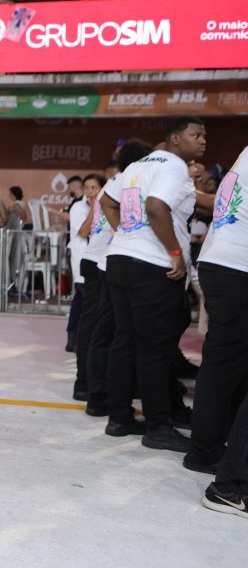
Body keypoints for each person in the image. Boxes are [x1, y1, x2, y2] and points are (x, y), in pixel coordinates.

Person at [100, 117, 207, 452]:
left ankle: (119, 418)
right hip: (153, 269)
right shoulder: (174, 166)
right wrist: (174, 251)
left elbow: (106, 200)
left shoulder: (139, 165)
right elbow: (156, 207)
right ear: (175, 139)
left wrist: (126, 234)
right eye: (196, 135)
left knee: (125, 343)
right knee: (156, 351)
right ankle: (159, 426)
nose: (202, 140)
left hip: (120, 261)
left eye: (205, 135)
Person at [79, 142, 154, 416]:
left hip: (107, 260)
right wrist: (125, 232)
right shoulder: (126, 182)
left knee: (106, 332)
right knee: (105, 333)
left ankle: (99, 391)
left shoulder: (117, 182)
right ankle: (94, 391)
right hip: (108, 261)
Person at [186, 146, 248, 474]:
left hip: (222, 261)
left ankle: (217, 443)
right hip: (236, 266)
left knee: (231, 362)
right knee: (223, 365)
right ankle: (205, 450)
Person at [69, 174, 106, 398]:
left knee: (85, 312)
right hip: (85, 264)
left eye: (95, 187)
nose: (90, 191)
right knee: (88, 317)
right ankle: (83, 379)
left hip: (100, 265)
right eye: (87, 187)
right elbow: (84, 231)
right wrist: (97, 207)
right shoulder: (77, 207)